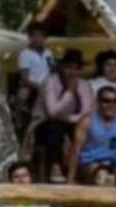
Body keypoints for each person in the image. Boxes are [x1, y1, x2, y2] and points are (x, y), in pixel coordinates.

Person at [31, 48, 92, 181]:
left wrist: (69, 119)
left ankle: (82, 169)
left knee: (84, 128)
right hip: (45, 122)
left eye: (76, 68)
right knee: (55, 128)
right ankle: (55, 166)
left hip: (71, 121)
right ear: (62, 67)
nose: (72, 72)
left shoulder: (83, 84)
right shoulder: (51, 82)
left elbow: (86, 110)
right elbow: (52, 111)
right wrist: (69, 92)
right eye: (69, 67)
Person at [68, 85, 116, 184]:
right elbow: (75, 151)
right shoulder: (87, 121)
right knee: (101, 175)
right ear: (98, 102)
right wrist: (70, 180)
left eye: (114, 101)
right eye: (106, 101)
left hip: (112, 164)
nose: (111, 104)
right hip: (89, 164)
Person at [17, 22, 53, 134]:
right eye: (36, 36)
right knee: (23, 95)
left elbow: (52, 70)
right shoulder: (25, 54)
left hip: (47, 84)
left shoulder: (48, 53)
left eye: (41, 36)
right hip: (31, 84)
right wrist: (38, 86)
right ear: (30, 37)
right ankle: (18, 118)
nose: (39, 39)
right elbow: (24, 78)